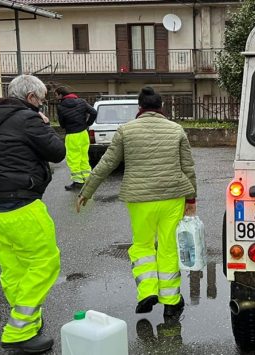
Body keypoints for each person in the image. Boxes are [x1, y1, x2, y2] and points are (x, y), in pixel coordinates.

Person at [76, 86, 197, 319]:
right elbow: (188, 168)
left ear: (139, 108)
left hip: (140, 200)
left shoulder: (125, 130)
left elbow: (106, 163)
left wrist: (86, 191)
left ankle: (146, 292)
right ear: (162, 107)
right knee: (168, 248)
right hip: (172, 197)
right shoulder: (176, 129)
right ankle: (171, 302)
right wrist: (191, 199)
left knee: (142, 246)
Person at [0, 75, 66, 354]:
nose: (42, 105)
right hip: (21, 205)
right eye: (41, 100)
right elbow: (57, 152)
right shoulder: (27, 119)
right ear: (31, 99)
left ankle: (28, 319)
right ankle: (19, 332)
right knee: (44, 263)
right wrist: (45, 125)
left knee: (14, 267)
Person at [54, 86, 98, 190]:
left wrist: (67, 126)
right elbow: (94, 112)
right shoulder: (81, 102)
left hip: (72, 135)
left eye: (56, 95)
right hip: (83, 134)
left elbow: (62, 124)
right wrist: (87, 123)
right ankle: (87, 180)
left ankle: (78, 182)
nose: (55, 97)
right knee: (84, 157)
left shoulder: (61, 107)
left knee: (73, 159)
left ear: (61, 95)